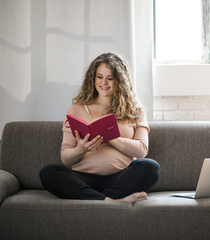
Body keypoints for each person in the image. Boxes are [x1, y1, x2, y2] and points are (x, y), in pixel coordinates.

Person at [39, 52, 160, 203]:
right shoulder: (76, 109)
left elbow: (142, 150)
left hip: (120, 177)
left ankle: (97, 199)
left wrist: (112, 138)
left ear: (120, 81)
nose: (104, 83)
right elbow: (66, 158)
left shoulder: (136, 110)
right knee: (48, 172)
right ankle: (110, 201)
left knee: (150, 167)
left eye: (110, 78)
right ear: (93, 78)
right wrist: (81, 149)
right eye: (99, 77)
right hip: (84, 178)